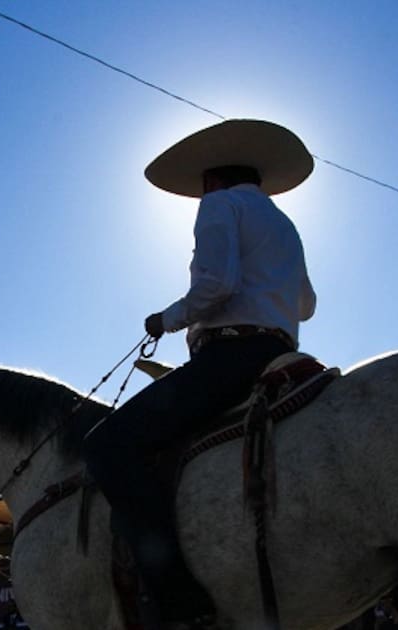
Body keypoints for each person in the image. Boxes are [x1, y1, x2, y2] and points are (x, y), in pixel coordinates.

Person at [82, 119, 317, 630]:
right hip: (280, 352)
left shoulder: (219, 206)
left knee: (107, 447)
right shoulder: (284, 223)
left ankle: (179, 603)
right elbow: (307, 303)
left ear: (210, 181)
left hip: (229, 357)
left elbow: (215, 284)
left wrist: (164, 320)